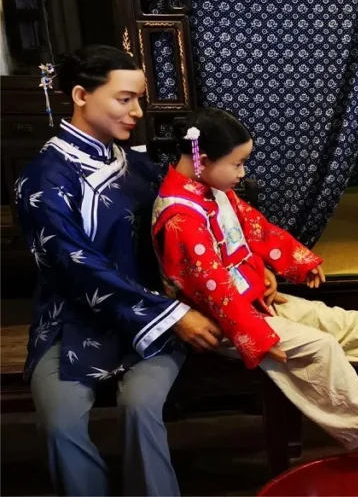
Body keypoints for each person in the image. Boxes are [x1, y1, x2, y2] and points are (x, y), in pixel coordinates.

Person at [150, 107, 358, 450]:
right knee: (318, 346)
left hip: (248, 299)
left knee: (330, 318)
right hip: (222, 320)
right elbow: (212, 288)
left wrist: (298, 260)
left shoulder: (210, 189)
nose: (242, 172)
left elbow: (255, 228)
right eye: (237, 164)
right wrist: (257, 336)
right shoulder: (180, 215)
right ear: (201, 159)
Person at [16, 45, 224, 496]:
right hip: (73, 320)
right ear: (80, 95)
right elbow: (77, 267)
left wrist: (244, 260)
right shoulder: (43, 179)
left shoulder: (135, 163)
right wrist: (175, 317)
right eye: (124, 99)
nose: (136, 112)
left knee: (140, 404)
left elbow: (195, 213)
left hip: (150, 314)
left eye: (139, 99)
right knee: (59, 422)